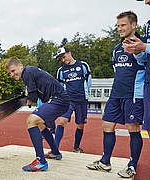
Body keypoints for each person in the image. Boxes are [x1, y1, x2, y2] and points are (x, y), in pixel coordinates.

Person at [86, 11, 145, 179]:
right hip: (115, 94)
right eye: (118, 26)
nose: (119, 29)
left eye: (123, 25)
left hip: (133, 94)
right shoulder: (117, 49)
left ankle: (132, 165)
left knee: (133, 128)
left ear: (133, 25)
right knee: (107, 125)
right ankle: (105, 162)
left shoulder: (142, 45)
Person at [6, 57, 69, 172]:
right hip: (60, 100)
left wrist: (28, 99)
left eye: (13, 71)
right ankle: (55, 152)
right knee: (40, 124)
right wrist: (28, 94)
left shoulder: (27, 73)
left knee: (31, 120)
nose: (11, 74)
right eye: (10, 73)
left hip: (58, 99)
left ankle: (41, 161)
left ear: (20, 66)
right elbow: (33, 93)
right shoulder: (29, 72)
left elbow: (33, 97)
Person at [55, 47, 91, 153]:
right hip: (68, 101)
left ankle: (76, 147)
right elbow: (60, 86)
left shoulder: (83, 65)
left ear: (69, 53)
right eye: (61, 58)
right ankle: (55, 148)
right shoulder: (61, 71)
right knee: (61, 121)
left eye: (64, 56)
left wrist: (85, 94)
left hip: (82, 100)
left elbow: (88, 81)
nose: (63, 60)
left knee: (80, 125)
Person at [123, 0, 150, 138]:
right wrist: (137, 51)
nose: (145, 2)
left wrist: (144, 47)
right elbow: (145, 58)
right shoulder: (149, 24)